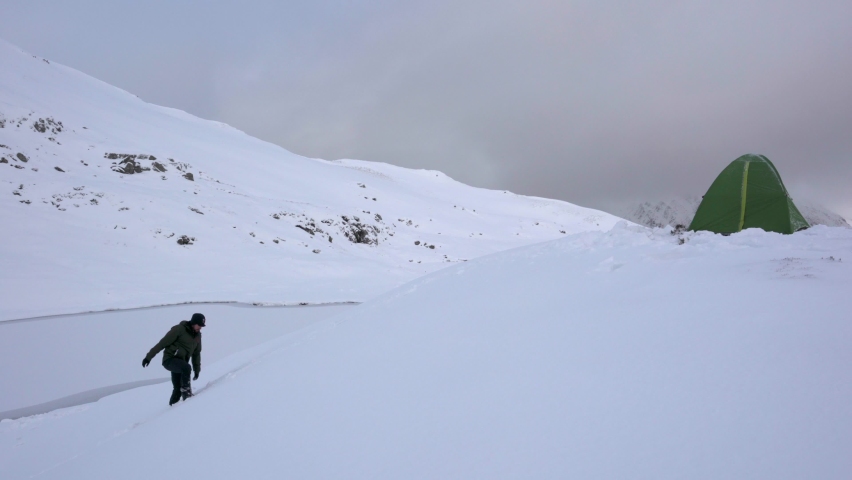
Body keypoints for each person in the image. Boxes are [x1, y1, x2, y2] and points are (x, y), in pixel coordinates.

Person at [142, 313, 205, 405]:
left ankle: (171, 410)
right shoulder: (179, 329)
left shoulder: (197, 336)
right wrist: (148, 357)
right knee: (186, 368)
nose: (200, 327)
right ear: (193, 323)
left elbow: (196, 353)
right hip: (170, 360)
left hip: (181, 364)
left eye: (202, 326)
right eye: (199, 325)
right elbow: (162, 343)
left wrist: (197, 370)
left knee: (177, 389)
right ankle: (187, 394)